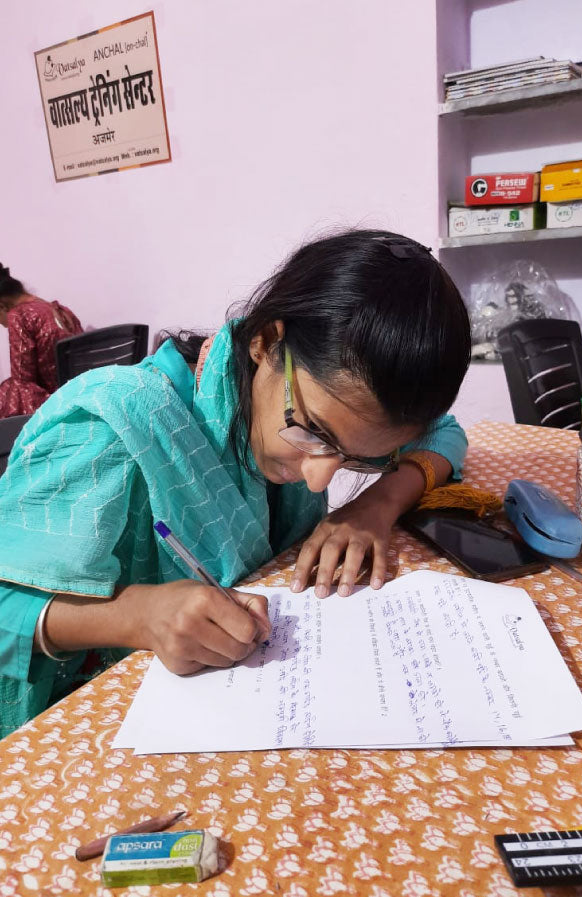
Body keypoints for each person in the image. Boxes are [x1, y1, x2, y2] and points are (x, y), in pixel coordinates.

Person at [0, 230, 471, 736]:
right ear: (266, 342)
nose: (318, 483)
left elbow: (446, 432)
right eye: (312, 432)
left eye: (359, 460)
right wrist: (136, 616)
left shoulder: (291, 404)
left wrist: (375, 504)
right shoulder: (111, 430)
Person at [0, 265, 84, 418]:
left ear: (2, 305)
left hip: (51, 404)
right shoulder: (60, 310)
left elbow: (23, 382)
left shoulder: (19, 315)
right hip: (78, 394)